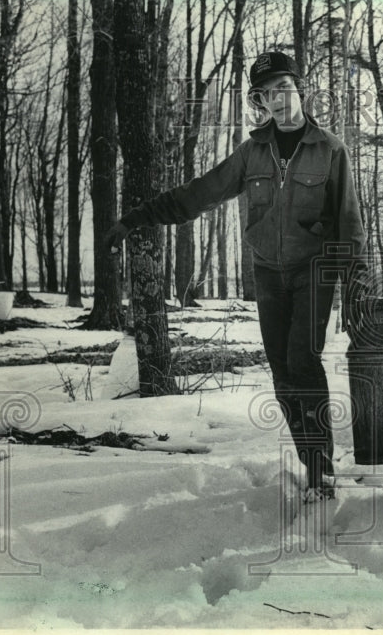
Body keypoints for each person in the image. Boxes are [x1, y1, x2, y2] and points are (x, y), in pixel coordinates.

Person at [106, 51, 366, 503]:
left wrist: (357, 287)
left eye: (283, 89)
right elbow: (200, 193)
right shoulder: (252, 152)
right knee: (283, 374)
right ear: (260, 102)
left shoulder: (330, 150)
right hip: (267, 273)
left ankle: (321, 472)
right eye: (266, 95)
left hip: (313, 271)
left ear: (299, 88)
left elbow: (350, 224)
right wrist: (137, 218)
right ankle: (312, 459)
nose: (277, 101)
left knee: (303, 362)